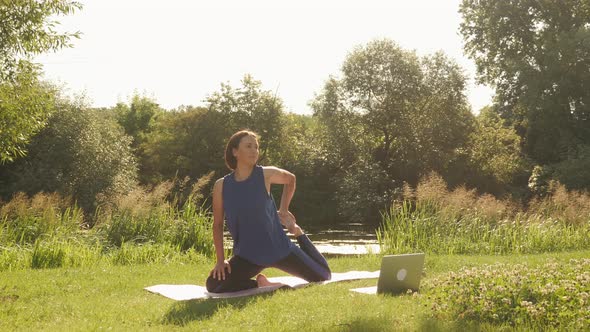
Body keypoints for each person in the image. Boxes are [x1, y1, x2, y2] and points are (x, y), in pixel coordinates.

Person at [206, 130, 331, 293]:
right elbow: (217, 225)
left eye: (256, 147)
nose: (254, 151)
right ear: (235, 151)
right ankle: (261, 284)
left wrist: (284, 209)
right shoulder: (221, 186)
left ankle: (299, 234)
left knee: (322, 276)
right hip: (247, 255)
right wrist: (221, 261)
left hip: (279, 250)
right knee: (214, 285)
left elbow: (291, 179)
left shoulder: (265, 174)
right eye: (248, 146)